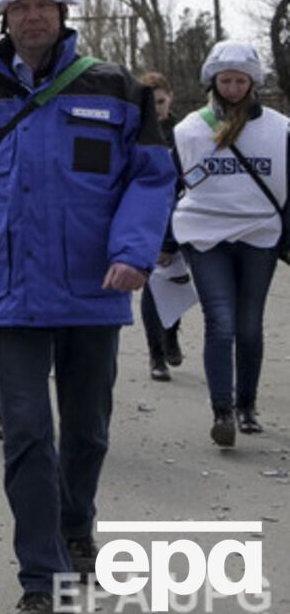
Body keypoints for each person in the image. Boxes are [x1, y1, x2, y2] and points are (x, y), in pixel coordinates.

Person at [0, 0, 175, 614]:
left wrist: (133, 250)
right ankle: (42, 586)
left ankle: (74, 527)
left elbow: (152, 176)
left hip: (95, 288)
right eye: (20, 5)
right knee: (28, 434)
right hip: (9, 294)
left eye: (43, 4)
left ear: (63, 11)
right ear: (4, 15)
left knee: (88, 431)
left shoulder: (117, 89)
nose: (32, 15)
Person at [170, 41, 288, 445]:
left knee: (249, 325)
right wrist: (165, 242)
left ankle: (247, 406)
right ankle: (222, 411)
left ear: (253, 82)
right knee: (220, 322)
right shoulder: (189, 130)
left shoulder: (280, 129)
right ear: (213, 81)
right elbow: (171, 186)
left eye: (240, 81)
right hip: (205, 236)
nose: (233, 88)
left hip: (260, 235)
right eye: (226, 81)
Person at [136, 71, 184, 382]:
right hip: (146, 218)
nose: (156, 109)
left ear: (170, 99)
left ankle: (171, 334)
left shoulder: (183, 134)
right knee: (152, 286)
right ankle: (156, 353)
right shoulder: (134, 132)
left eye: (161, 102)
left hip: (180, 218)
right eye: (150, 103)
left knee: (175, 282)